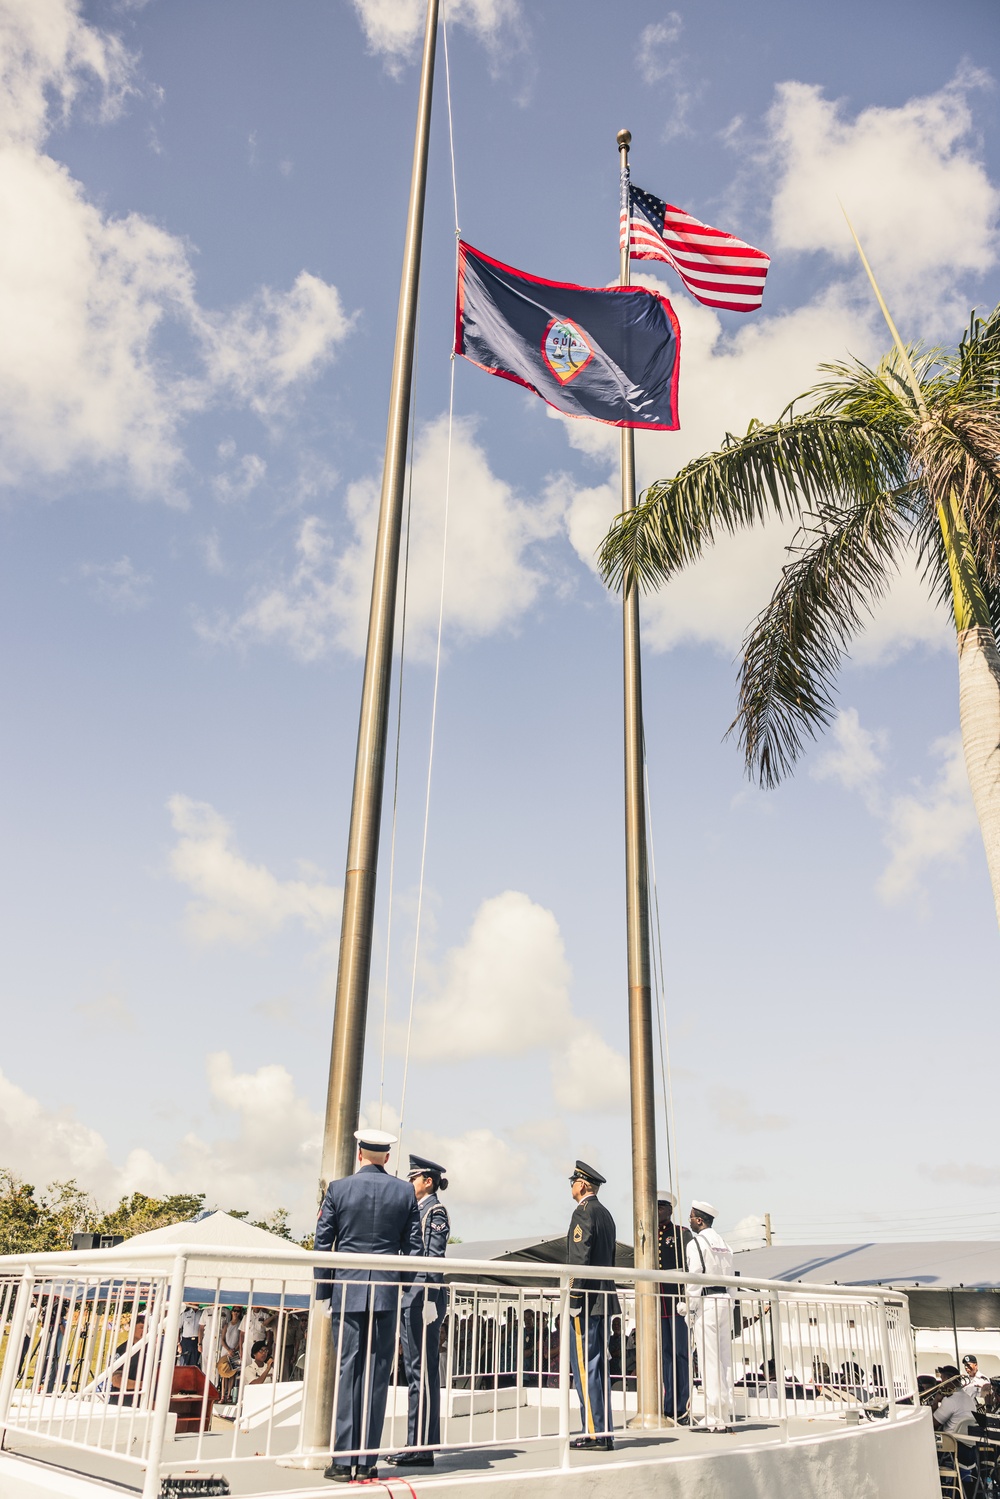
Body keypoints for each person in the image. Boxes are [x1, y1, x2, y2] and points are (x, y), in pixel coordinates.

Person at [314, 1127, 422, 1484]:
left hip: (347, 1289)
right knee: (378, 1375)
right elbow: (414, 1249)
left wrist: (324, 1290)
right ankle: (368, 1460)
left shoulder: (338, 1189)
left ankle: (343, 1461)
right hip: (387, 1293)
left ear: (359, 1153)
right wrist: (403, 1290)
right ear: (387, 1157)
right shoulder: (405, 1191)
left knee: (348, 1371)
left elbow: (323, 1241)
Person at [387, 1153, 451, 1469]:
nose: (409, 1183)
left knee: (420, 1372)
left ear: (427, 1181)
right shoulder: (419, 1211)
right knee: (417, 1371)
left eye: (414, 1178)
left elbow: (433, 1260)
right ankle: (421, 1443)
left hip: (421, 1299)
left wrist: (427, 1299)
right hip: (413, 1297)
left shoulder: (434, 1211)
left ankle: (420, 1446)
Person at [565, 1160, 619, 1451]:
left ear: (583, 1184)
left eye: (573, 1181)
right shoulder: (605, 1214)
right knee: (597, 1367)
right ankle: (602, 1429)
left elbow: (579, 1259)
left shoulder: (583, 1212)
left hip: (586, 1300)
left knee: (585, 1367)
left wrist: (573, 1299)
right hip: (603, 1300)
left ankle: (595, 1432)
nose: (571, 1186)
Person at [685, 1200, 734, 1432]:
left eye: (692, 1216)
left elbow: (694, 1278)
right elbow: (732, 1278)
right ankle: (726, 1412)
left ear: (699, 1220)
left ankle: (713, 1415)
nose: (689, 1220)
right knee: (725, 1360)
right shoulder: (725, 1244)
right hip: (725, 1300)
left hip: (707, 1302)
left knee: (709, 1359)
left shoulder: (696, 1243)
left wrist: (690, 1309)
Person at [657, 1189, 692, 1424]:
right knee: (665, 1355)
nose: (657, 1211)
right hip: (658, 1302)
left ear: (670, 1210)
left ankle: (682, 1405)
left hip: (676, 1300)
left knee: (680, 1354)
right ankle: (668, 1404)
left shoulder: (681, 1234)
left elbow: (690, 1267)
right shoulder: (649, 1235)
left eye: (661, 1207)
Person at [178, 1303, 203, 1367]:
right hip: (186, 1341)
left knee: (194, 1364)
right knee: (184, 1363)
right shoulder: (185, 1313)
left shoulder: (201, 1313)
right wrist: (178, 1344)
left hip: (196, 1341)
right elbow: (178, 1329)